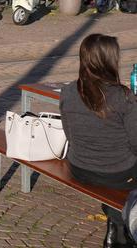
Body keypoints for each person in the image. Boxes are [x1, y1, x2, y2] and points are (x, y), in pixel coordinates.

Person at [60, 34, 137, 247]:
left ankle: (116, 225)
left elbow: (69, 134)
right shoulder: (124, 97)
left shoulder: (68, 91)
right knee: (125, 168)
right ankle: (121, 226)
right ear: (110, 61)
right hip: (116, 173)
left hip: (79, 167)